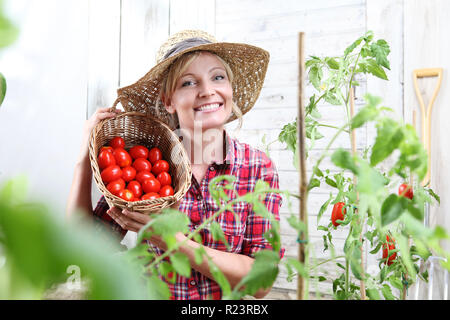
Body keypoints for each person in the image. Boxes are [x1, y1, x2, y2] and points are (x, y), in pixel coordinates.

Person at [66, 30, 283, 300]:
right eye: (189, 83)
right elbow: (82, 248)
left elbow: (261, 283)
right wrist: (83, 160)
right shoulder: (144, 163)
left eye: (218, 77)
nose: (207, 91)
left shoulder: (257, 168)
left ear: (230, 89)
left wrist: (169, 240)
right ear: (168, 101)